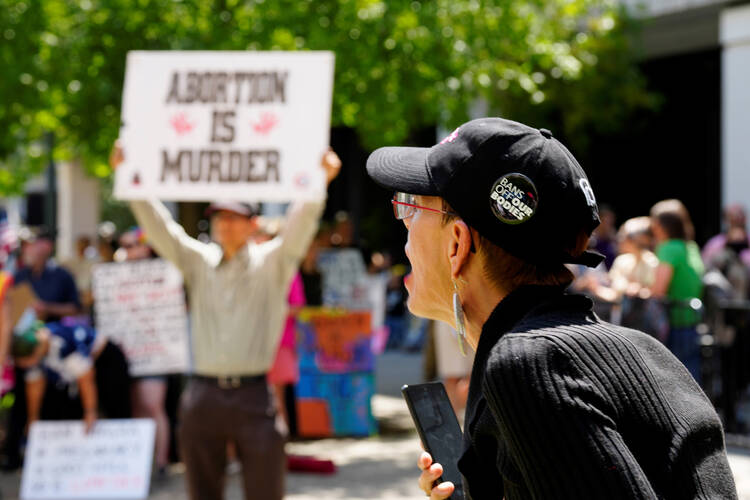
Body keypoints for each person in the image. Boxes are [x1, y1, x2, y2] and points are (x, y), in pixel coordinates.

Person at [366, 117, 736, 499]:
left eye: (411, 209)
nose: (404, 235)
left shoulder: (528, 365)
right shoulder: (647, 352)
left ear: (457, 243)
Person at [110, 142, 341, 500]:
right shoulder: (197, 261)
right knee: (202, 491)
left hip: (253, 396)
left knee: (265, 490)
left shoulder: (273, 262)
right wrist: (128, 175)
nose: (224, 224)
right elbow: (161, 228)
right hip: (203, 395)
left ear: (252, 225)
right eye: (218, 217)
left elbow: (301, 224)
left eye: (233, 217)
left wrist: (320, 180)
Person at [650, 199, 705, 383]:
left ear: (660, 225)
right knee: (692, 380)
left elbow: (658, 290)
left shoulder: (669, 248)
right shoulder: (691, 247)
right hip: (691, 322)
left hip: (673, 324)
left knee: (674, 382)